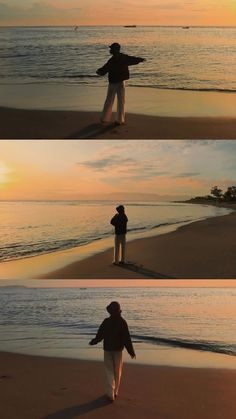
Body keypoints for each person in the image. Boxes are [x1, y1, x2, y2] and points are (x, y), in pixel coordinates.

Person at [89, 301, 136, 402]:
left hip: (107, 349)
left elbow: (100, 335)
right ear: (119, 311)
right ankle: (115, 392)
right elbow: (126, 339)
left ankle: (110, 393)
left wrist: (94, 341)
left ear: (110, 311)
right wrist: (131, 351)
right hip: (118, 350)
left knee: (109, 371)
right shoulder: (122, 322)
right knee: (117, 371)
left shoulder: (106, 321)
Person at [96, 43, 145, 125]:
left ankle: (105, 118)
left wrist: (99, 72)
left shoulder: (112, 60)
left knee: (109, 100)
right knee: (121, 101)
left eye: (111, 49)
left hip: (113, 82)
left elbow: (104, 69)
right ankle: (119, 120)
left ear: (115, 50)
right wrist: (140, 59)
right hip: (122, 81)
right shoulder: (123, 57)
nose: (110, 50)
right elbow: (132, 59)